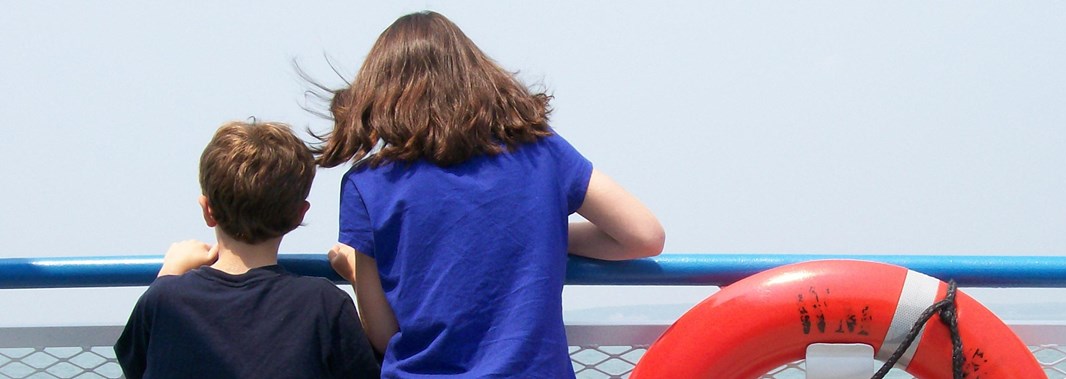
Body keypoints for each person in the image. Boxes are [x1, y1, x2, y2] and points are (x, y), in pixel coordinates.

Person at [316, 11, 665, 378]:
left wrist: (356, 272)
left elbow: (386, 336)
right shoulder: (540, 151)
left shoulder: (367, 183)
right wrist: (540, 235)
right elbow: (643, 235)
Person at [114, 121, 380, 379]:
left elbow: (135, 363)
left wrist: (169, 273)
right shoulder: (325, 303)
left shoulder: (165, 299)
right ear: (299, 215)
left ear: (208, 210)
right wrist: (359, 278)